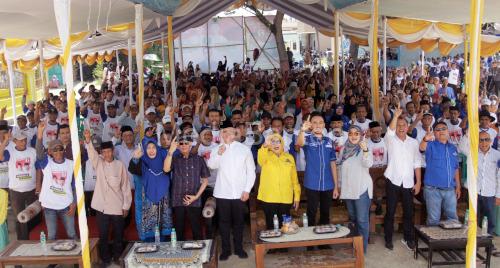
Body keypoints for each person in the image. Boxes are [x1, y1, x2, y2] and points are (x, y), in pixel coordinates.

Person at [84, 129, 132, 267]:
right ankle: (105, 260)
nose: (106, 154)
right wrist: (88, 140)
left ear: (113, 151)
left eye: (108, 151)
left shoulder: (120, 165)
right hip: (101, 207)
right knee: (103, 236)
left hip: (117, 206)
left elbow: (125, 186)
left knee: (118, 236)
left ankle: (117, 257)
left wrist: (126, 206)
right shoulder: (98, 163)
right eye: (103, 152)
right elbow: (92, 154)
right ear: (101, 153)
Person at [207, 127, 255, 261]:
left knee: (239, 222)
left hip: (240, 193)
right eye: (223, 132)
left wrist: (247, 190)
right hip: (223, 192)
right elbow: (211, 165)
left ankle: (239, 249)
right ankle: (226, 250)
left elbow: (251, 172)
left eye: (229, 132)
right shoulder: (217, 149)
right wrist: (219, 153)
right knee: (224, 222)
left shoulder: (244, 149)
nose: (226, 134)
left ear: (235, 135)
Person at [383, 107, 422, 250]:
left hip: (408, 182)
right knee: (390, 211)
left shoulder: (414, 142)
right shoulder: (390, 140)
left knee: (409, 212)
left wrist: (418, 182)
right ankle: (388, 239)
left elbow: (417, 163)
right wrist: (396, 116)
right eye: (398, 125)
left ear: (408, 127)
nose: (400, 128)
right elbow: (390, 130)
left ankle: (408, 238)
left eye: (403, 125)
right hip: (392, 180)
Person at [296, 112, 339, 229]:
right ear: (310, 125)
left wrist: (336, 186)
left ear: (324, 125)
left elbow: (333, 164)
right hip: (312, 183)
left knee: (325, 213)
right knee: (311, 212)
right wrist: (302, 130)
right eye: (314, 122)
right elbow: (299, 144)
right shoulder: (307, 139)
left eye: (320, 122)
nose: (318, 125)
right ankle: (310, 243)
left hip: (328, 184)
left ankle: (323, 241)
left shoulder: (329, 141)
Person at [128, 130, 173, 242]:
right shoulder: (141, 161)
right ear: (144, 149)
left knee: (163, 231)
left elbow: (168, 169)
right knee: (148, 238)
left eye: (153, 147)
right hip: (146, 204)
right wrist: (136, 158)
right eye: (148, 148)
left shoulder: (163, 159)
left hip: (163, 203)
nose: (151, 150)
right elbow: (133, 169)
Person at [164, 135, 209, 241]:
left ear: (190, 145)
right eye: (181, 143)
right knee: (178, 230)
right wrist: (170, 151)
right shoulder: (174, 159)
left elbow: (205, 181)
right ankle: (180, 255)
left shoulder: (199, 159)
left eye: (186, 143)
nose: (183, 145)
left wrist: (196, 197)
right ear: (178, 146)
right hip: (178, 199)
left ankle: (199, 254)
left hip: (194, 199)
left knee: (196, 229)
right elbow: (166, 169)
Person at [339, 125, 373, 252]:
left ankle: (361, 250)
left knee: (362, 220)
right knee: (353, 219)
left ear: (360, 135)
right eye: (351, 134)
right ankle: (354, 245)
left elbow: (368, 163)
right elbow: (340, 167)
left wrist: (365, 151)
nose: (353, 136)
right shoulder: (344, 149)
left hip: (361, 189)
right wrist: (339, 185)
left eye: (356, 134)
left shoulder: (364, 147)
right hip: (348, 190)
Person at [419, 121, 460, 226]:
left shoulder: (453, 148)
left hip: (450, 189)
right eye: (438, 129)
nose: (441, 131)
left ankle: (450, 241)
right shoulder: (430, 145)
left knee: (453, 218)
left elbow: (456, 168)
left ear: (448, 131)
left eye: (444, 128)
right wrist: (425, 139)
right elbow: (421, 148)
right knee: (433, 219)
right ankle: (433, 242)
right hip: (433, 190)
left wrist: (458, 186)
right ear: (434, 133)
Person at [35, 140, 76, 241]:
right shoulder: (46, 163)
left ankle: (78, 256)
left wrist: (74, 202)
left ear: (64, 150)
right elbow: (39, 151)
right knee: (52, 236)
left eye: (60, 149)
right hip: (49, 206)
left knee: (72, 234)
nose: (58, 152)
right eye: (55, 149)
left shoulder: (71, 164)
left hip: (66, 205)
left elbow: (75, 186)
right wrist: (40, 134)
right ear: (50, 152)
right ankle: (51, 256)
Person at [257, 133, 300, 229]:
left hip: (286, 198)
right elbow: (260, 159)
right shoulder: (265, 156)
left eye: (278, 141)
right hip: (269, 198)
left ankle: (284, 244)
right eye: (272, 142)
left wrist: (296, 196)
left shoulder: (289, 157)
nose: (275, 144)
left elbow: (294, 179)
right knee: (272, 227)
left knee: (285, 226)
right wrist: (264, 145)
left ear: (282, 143)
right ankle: (271, 244)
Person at [0, 131, 37, 240]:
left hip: (32, 189)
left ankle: (34, 238)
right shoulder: (9, 152)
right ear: (14, 141)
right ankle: (22, 241)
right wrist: (5, 141)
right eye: (20, 140)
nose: (23, 142)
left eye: (25, 139)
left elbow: (39, 168)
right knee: (19, 218)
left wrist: (38, 185)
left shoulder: (32, 151)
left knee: (33, 216)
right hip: (16, 191)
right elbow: (1, 157)